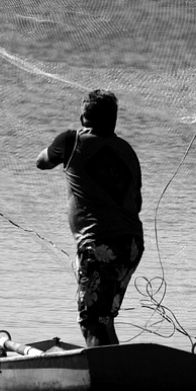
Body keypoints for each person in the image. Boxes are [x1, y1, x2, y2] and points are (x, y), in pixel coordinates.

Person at [36, 90, 144, 347]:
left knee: (92, 321)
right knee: (104, 318)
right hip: (131, 246)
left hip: (99, 246)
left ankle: (106, 380)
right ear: (114, 120)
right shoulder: (127, 150)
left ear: (83, 116)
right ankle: (121, 375)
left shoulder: (70, 140)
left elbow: (41, 162)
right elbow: (136, 203)